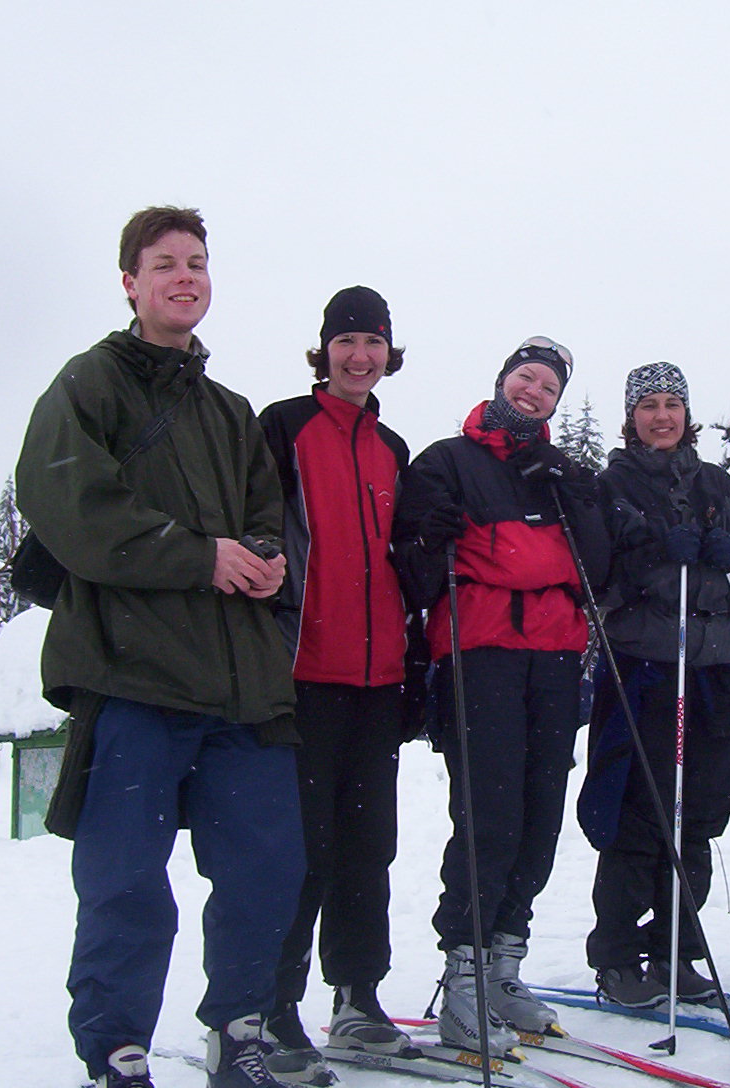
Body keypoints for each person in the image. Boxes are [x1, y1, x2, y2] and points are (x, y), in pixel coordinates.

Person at [16, 206, 304, 1088]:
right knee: (125, 882)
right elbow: (67, 502)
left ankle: (239, 1030)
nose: (186, 277)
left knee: (268, 867)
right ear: (131, 283)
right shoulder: (89, 384)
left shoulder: (231, 410)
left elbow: (264, 515)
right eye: (167, 264)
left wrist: (262, 558)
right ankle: (115, 1049)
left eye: (199, 263)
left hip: (239, 688)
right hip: (132, 677)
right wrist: (197, 557)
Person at [393, 336, 609, 1052]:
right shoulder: (447, 461)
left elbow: (598, 567)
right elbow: (417, 571)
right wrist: (436, 539)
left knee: (542, 811)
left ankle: (503, 964)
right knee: (490, 813)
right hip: (478, 652)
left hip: (553, 656)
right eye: (525, 378)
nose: (534, 393)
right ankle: (462, 977)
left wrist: (569, 494)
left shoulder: (562, 473)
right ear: (502, 381)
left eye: (548, 388)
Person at [257, 286, 420, 1081]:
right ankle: (273, 1003)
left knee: (369, 846)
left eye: (373, 342)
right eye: (346, 341)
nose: (360, 355)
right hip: (302, 674)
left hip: (377, 678)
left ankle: (357, 996)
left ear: (390, 352)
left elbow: (403, 559)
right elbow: (256, 527)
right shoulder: (282, 426)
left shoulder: (394, 448)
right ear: (323, 351)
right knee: (300, 847)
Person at [577, 362, 730, 1008]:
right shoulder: (613, 487)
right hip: (646, 671)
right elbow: (598, 576)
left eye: (672, 404)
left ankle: (675, 949)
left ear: (687, 413)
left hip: (714, 673)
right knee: (641, 818)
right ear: (630, 416)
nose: (662, 415)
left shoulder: (718, 486)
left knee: (696, 821)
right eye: (649, 405)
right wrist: (658, 553)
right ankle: (615, 956)